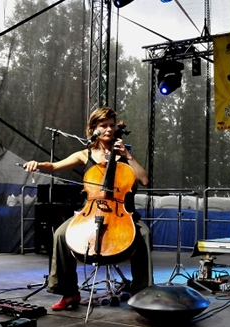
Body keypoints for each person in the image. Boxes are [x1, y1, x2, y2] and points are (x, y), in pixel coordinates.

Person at [23, 107, 151, 311]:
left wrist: (128, 155)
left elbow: (144, 179)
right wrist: (36, 164)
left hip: (122, 214)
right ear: (94, 129)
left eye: (111, 125)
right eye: (103, 126)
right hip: (91, 211)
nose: (109, 129)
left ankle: (141, 293)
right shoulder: (85, 154)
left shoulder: (124, 155)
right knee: (61, 234)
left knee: (143, 234)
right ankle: (69, 292)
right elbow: (55, 166)